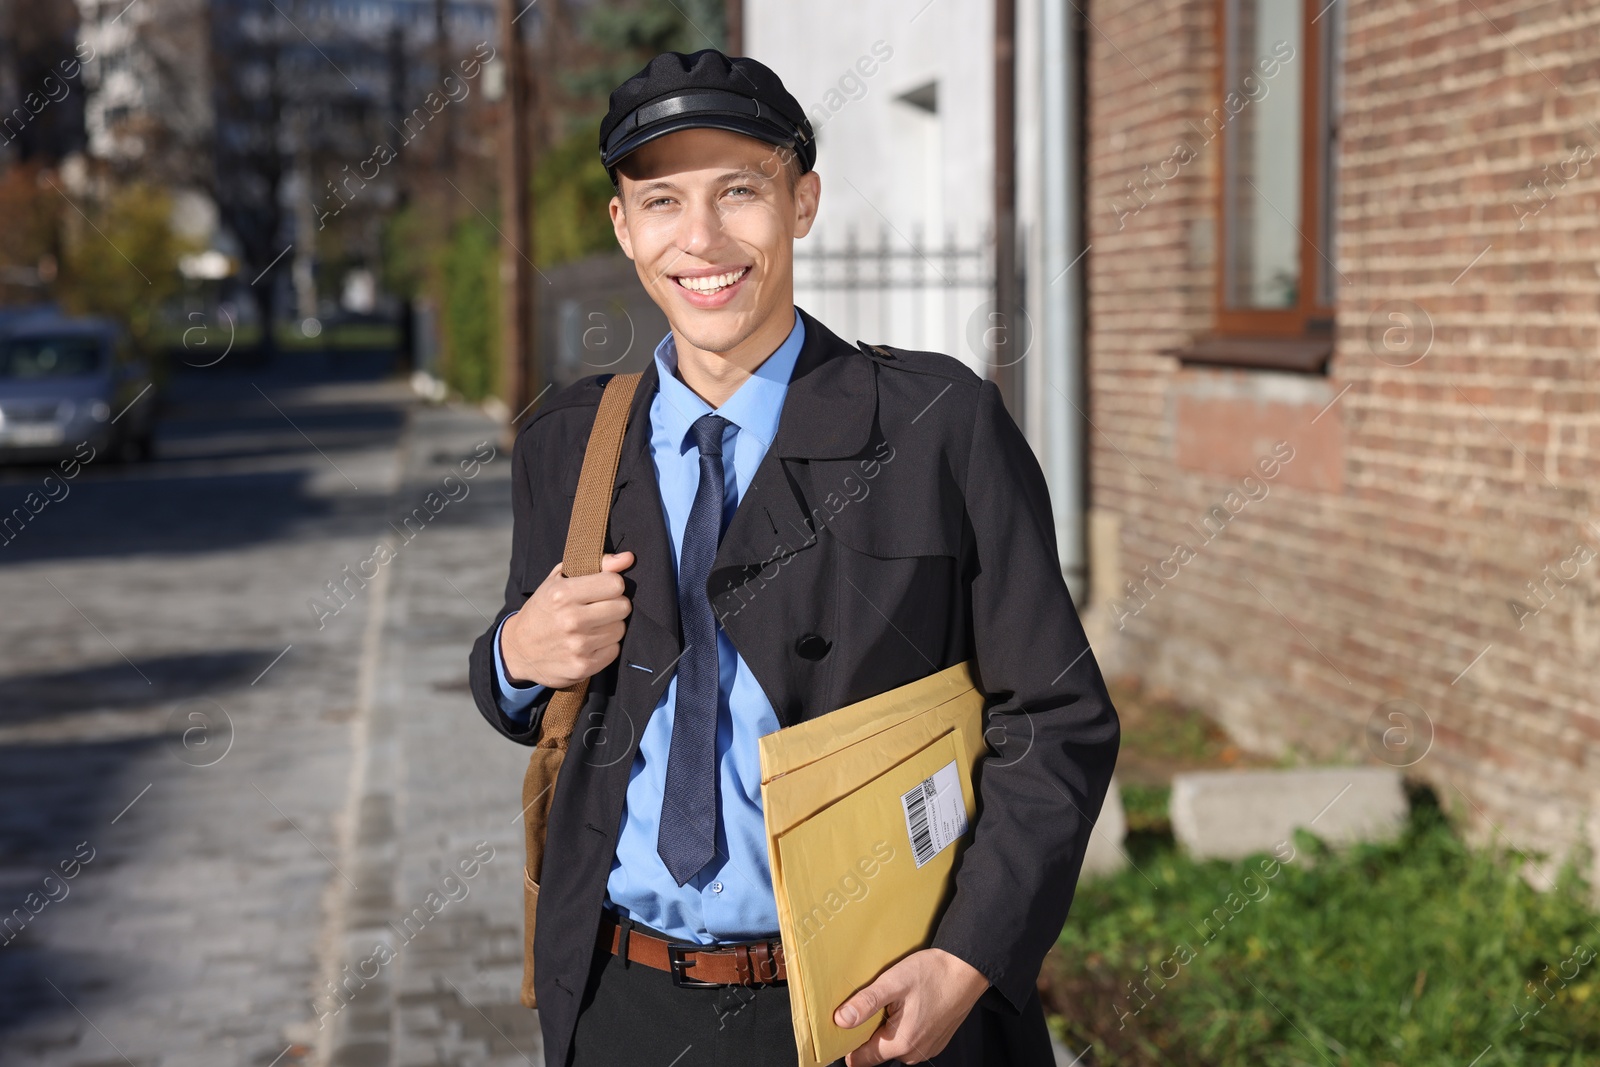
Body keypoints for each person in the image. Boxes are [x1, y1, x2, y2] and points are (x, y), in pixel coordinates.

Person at [467, 47, 1120, 1067]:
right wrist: (516, 650)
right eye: (662, 202)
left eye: (741, 191)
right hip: (619, 1004)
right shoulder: (566, 443)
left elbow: (1058, 719)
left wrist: (965, 958)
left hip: (878, 1006)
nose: (702, 239)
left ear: (802, 202)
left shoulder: (937, 425)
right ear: (623, 227)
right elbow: (517, 688)